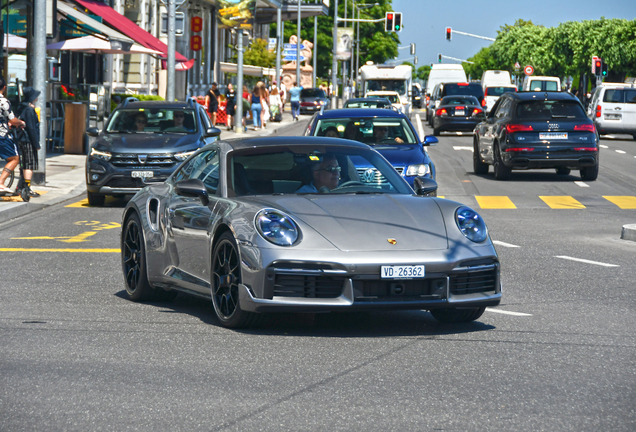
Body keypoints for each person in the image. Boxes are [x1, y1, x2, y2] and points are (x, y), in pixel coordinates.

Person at [0, 77, 26, 194]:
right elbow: (13, 120)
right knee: (14, 158)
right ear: (4, 88)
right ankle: (0, 183)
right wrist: (21, 122)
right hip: (2, 135)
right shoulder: (3, 102)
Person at [15, 87, 41, 197]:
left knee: (24, 163)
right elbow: (31, 128)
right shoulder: (29, 110)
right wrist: (36, 144)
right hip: (28, 140)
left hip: (21, 139)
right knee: (29, 164)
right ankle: (27, 188)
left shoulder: (22, 107)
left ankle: (21, 187)